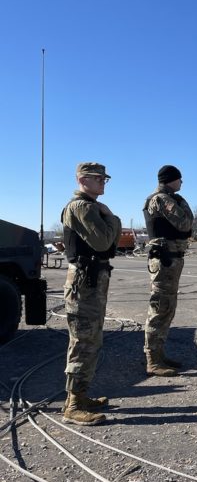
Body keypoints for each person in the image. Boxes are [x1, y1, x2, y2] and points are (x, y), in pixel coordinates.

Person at [61, 163, 122, 426]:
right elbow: (103, 242)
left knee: (92, 340)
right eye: (98, 178)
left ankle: (80, 396)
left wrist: (109, 219)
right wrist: (112, 218)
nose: (103, 182)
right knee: (83, 341)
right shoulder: (82, 207)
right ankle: (73, 405)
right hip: (84, 284)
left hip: (93, 281)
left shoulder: (92, 207)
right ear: (82, 179)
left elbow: (110, 243)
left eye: (104, 178)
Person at [143, 165, 193, 377]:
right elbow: (184, 224)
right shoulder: (162, 199)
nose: (181, 183)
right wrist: (184, 205)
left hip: (171, 260)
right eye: (179, 179)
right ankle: (152, 360)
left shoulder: (168, 198)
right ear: (170, 179)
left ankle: (159, 355)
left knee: (167, 307)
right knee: (160, 307)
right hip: (164, 260)